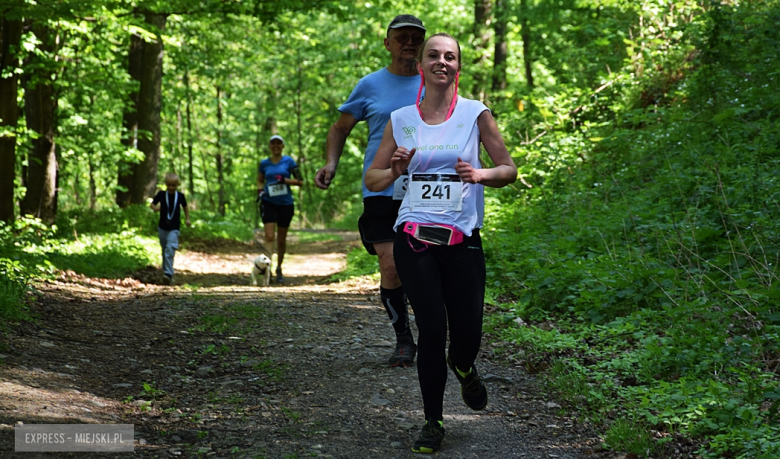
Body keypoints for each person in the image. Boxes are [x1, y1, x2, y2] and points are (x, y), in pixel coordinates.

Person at [365, 33, 518, 454]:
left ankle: (464, 366)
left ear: (458, 68)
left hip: (462, 238)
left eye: (450, 57)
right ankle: (432, 420)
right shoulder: (401, 119)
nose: (441, 62)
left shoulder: (475, 113)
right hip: (414, 236)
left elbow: (508, 168)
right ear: (422, 66)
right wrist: (395, 170)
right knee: (432, 328)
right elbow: (372, 179)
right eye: (433, 55)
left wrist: (481, 175)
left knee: (467, 334)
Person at [314, 14, 426, 367]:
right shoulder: (370, 85)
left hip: (427, 187)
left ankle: (434, 330)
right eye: (402, 36)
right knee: (391, 264)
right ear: (387, 43)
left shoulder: (435, 82)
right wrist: (331, 163)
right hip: (381, 187)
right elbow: (339, 128)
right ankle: (404, 340)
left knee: (426, 266)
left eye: (415, 37)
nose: (409, 42)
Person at [257, 134, 303, 283]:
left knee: (281, 240)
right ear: (270, 146)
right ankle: (266, 270)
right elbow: (259, 181)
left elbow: (300, 181)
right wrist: (260, 191)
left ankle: (279, 268)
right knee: (269, 237)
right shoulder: (264, 163)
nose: (275, 146)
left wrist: (285, 180)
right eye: (273, 143)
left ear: (283, 146)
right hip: (268, 202)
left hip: (285, 204)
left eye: (278, 143)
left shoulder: (289, 161)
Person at [150, 173, 191, 285]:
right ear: (166, 184)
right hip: (162, 227)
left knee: (170, 249)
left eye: (174, 185)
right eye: (169, 185)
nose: (171, 188)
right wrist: (155, 208)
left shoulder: (180, 196)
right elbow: (152, 204)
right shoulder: (162, 194)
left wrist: (187, 219)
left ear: (178, 185)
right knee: (164, 250)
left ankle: (168, 273)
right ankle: (166, 271)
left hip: (174, 228)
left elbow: (185, 207)